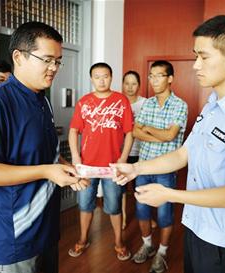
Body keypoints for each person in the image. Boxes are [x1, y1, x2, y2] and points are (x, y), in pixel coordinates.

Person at [112, 15, 225, 273]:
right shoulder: (212, 105)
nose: (196, 65)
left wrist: (169, 195)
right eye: (195, 55)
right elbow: (183, 153)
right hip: (195, 224)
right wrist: (136, 169)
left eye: (204, 56)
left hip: (221, 240)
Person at [0, 21, 87, 273]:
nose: (54, 68)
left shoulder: (43, 100)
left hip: (45, 228)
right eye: (47, 60)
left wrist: (65, 168)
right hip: (11, 237)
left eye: (58, 61)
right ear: (18, 56)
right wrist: (46, 172)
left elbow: (43, 155)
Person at [68, 62, 133, 261]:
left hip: (112, 167)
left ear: (111, 77)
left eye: (105, 76)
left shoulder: (121, 101)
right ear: (91, 79)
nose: (101, 80)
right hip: (87, 166)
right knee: (85, 205)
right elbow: (73, 131)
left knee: (113, 206)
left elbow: (129, 133)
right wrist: (76, 157)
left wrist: (122, 158)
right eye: (97, 76)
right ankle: (82, 239)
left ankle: (119, 242)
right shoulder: (84, 102)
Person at [126, 61, 187, 272]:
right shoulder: (148, 103)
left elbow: (171, 136)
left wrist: (149, 129)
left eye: (159, 76)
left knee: (164, 214)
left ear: (170, 78)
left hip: (165, 169)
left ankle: (162, 252)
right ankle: (148, 245)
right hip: (143, 167)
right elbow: (135, 131)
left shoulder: (180, 105)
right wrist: (159, 135)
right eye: (151, 76)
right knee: (142, 210)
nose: (153, 81)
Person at [121, 70, 147, 230]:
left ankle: (144, 218)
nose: (130, 87)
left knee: (141, 188)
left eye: (134, 83)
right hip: (121, 153)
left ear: (139, 85)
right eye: (127, 83)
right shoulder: (118, 101)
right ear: (122, 84)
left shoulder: (145, 103)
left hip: (141, 152)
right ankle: (123, 217)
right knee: (122, 189)